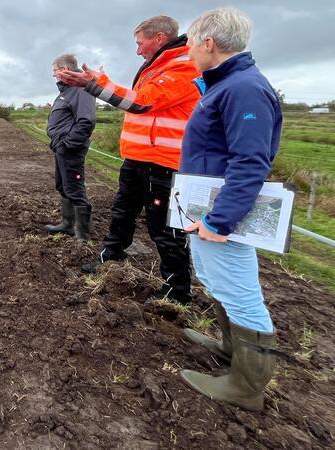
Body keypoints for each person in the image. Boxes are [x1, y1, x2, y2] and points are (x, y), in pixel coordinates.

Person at [178, 7, 282, 412]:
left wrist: (220, 219)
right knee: (215, 278)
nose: (187, 51)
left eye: (189, 43)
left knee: (239, 291)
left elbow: (250, 160)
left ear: (209, 43)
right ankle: (229, 348)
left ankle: (247, 386)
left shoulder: (243, 89)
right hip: (207, 207)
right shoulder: (226, 86)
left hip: (221, 214)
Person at [57, 16, 200, 303]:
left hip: (163, 161)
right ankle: (111, 257)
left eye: (140, 43)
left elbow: (142, 102)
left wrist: (95, 85)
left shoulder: (184, 66)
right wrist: (100, 82)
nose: (137, 50)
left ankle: (177, 290)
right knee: (121, 212)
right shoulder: (155, 67)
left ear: (159, 38)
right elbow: (137, 98)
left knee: (163, 227)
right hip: (137, 158)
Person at [45, 54, 97, 239]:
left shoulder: (80, 90)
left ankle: (83, 236)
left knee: (75, 188)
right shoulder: (66, 92)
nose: (54, 75)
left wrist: (68, 144)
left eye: (55, 71)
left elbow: (86, 121)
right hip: (61, 148)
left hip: (70, 150)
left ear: (65, 69)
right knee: (63, 185)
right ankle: (67, 224)